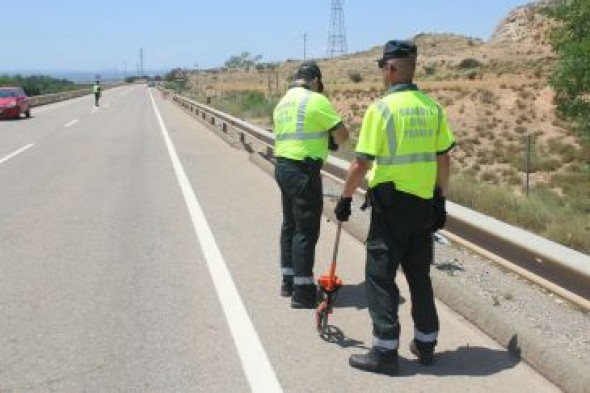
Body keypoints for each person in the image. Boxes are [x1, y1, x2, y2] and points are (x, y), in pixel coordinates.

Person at [334, 40, 455, 374]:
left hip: (390, 208)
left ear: (390, 69)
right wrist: (441, 199)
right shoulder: (433, 108)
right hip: (423, 206)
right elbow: (444, 158)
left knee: (379, 275)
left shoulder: (381, 110)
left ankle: (385, 352)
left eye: (382, 69)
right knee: (419, 275)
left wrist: (344, 199)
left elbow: (360, 164)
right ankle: (426, 343)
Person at [273, 61, 349, 309]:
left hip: (283, 166)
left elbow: (299, 133)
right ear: (315, 80)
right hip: (303, 170)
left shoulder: (283, 101)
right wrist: (330, 140)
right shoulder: (316, 100)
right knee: (305, 229)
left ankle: (288, 280)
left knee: (290, 224)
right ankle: (304, 291)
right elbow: (343, 136)